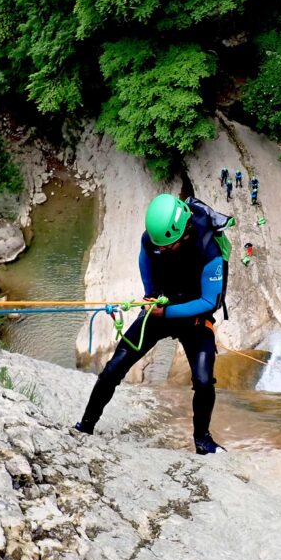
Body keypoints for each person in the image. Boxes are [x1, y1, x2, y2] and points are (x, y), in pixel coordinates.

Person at [73, 194, 226, 455]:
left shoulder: (208, 248)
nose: (163, 249)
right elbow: (145, 257)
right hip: (159, 309)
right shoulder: (154, 239)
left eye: (168, 245)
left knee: (203, 381)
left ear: (185, 231)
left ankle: (203, 440)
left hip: (193, 317)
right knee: (113, 369)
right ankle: (85, 425)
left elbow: (209, 300)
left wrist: (165, 312)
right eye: (160, 245)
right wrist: (150, 294)